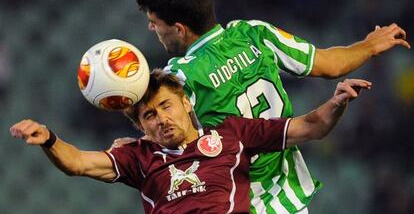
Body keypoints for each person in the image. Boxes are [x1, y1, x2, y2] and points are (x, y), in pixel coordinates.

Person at [132, 0, 410, 213]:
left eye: (154, 23)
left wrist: (134, 144)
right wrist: (370, 45)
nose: (151, 28)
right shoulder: (255, 34)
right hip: (288, 199)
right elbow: (329, 65)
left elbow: (169, 138)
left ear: (179, 29)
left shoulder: (180, 75)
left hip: (236, 202)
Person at [10, 69, 371, 213]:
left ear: (185, 102)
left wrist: (336, 102)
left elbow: (311, 127)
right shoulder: (138, 156)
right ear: (141, 127)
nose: (162, 119)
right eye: (149, 116)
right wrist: (50, 140)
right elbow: (78, 163)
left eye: (166, 106)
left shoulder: (232, 134)